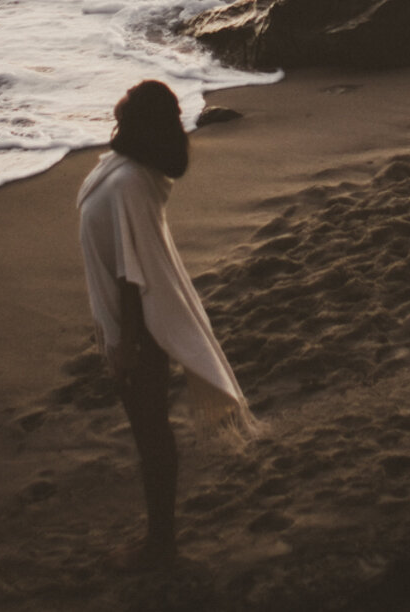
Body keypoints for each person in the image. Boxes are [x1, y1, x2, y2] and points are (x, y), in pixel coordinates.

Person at [77, 79, 254, 570]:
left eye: (132, 103)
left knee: (152, 436)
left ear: (141, 122)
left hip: (140, 333)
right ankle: (159, 538)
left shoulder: (132, 181)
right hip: (126, 329)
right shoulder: (122, 169)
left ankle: (160, 543)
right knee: (149, 434)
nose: (122, 102)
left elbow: (131, 275)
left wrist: (128, 346)